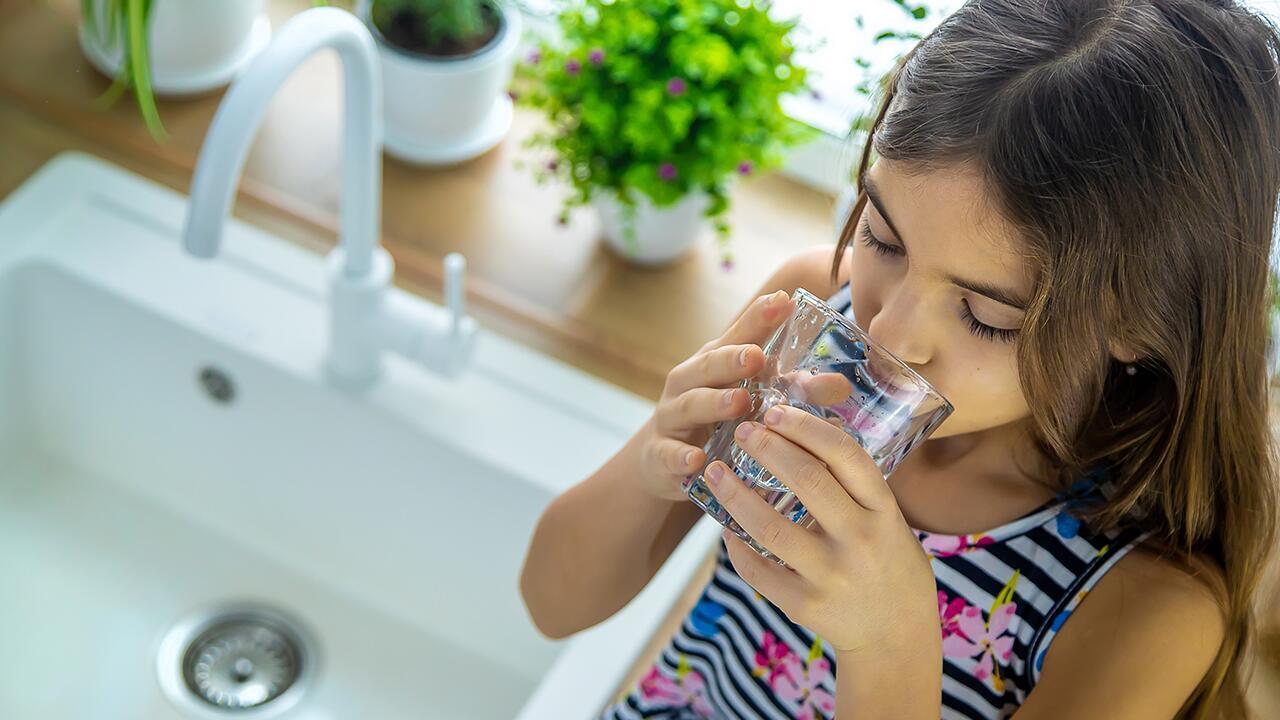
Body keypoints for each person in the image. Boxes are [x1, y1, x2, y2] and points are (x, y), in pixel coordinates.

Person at [520, 0, 1280, 717]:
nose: (888, 330)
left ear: (1142, 326)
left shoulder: (1149, 605)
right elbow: (550, 604)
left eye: (986, 316)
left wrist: (888, 642)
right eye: (882, 238)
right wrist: (655, 463)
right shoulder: (808, 317)